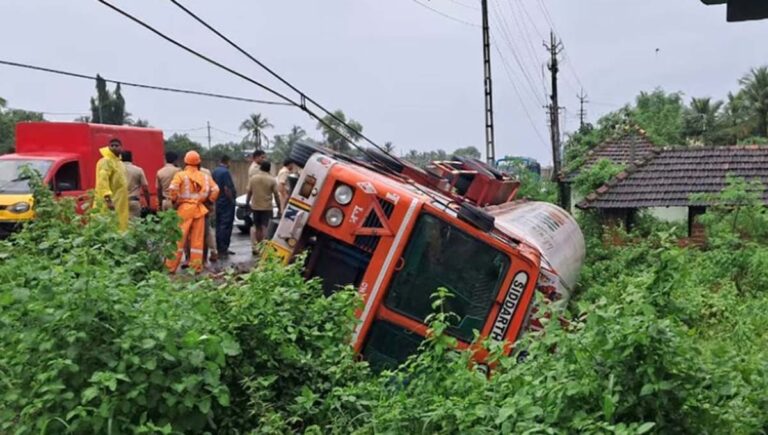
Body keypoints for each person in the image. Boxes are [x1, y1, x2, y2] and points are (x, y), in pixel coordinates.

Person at [165, 151, 220, 273]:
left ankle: (170, 267)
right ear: (199, 163)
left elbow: (173, 189)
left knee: (178, 239)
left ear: (185, 162)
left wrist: (175, 201)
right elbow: (216, 189)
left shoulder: (180, 175)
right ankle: (196, 267)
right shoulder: (205, 176)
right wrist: (209, 201)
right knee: (197, 240)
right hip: (199, 210)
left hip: (184, 209)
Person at [246, 160, 280, 254]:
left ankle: (257, 246)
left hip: (255, 207)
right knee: (266, 227)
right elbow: (276, 195)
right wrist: (280, 208)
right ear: (269, 169)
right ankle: (265, 248)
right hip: (267, 207)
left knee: (257, 227)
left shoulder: (253, 178)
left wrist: (247, 204)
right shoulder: (272, 180)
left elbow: (249, 192)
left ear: (260, 168)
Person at [95, 138, 129, 231]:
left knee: (120, 225)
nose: (114, 147)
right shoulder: (106, 161)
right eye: (112, 145)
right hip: (111, 202)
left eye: (116, 146)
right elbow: (103, 180)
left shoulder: (119, 163)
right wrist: (108, 199)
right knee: (109, 225)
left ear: (121, 148)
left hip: (120, 200)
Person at [212, 154, 237, 258]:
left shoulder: (215, 171)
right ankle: (223, 248)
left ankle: (220, 247)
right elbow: (227, 188)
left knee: (219, 225)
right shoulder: (225, 172)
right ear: (228, 161)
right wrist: (231, 200)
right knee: (226, 226)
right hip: (226, 203)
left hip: (218, 202)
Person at [122, 150, 151, 219]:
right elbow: (145, 188)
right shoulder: (138, 170)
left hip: (121, 202)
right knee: (135, 226)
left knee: (121, 226)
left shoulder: (116, 170)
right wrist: (148, 203)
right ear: (131, 158)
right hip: (134, 201)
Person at [199, 166, 219, 263]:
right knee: (207, 230)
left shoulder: (186, 172)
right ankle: (212, 252)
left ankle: (199, 257)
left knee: (200, 231)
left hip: (194, 206)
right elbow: (213, 189)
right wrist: (210, 203)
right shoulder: (206, 172)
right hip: (206, 204)